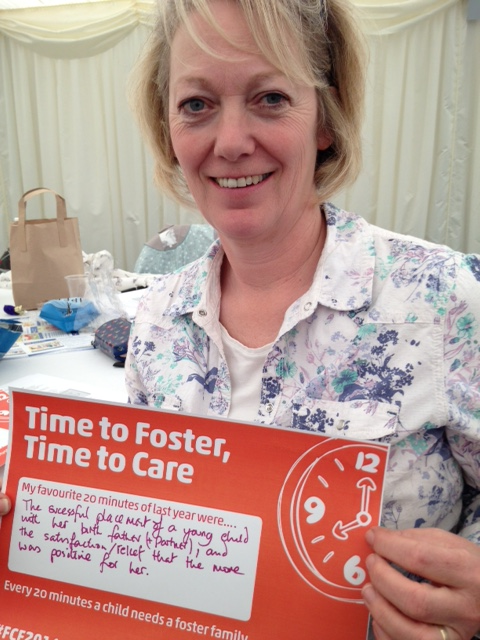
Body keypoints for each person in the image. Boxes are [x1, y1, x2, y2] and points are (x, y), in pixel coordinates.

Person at [2, 0, 480, 638]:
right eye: (197, 104)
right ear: (168, 129)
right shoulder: (157, 320)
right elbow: (147, 526)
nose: (229, 143)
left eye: (270, 98)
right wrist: (31, 521)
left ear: (325, 119)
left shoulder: (444, 298)